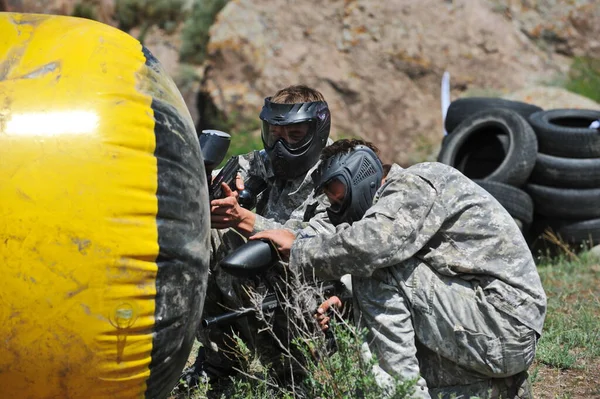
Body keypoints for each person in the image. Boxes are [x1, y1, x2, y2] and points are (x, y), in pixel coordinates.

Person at [252, 139, 547, 399]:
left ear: (362, 174)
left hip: (502, 323)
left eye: (337, 193)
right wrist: (351, 301)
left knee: (374, 268)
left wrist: (299, 250)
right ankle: (496, 390)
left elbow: (372, 246)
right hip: (494, 328)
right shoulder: (401, 205)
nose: (336, 204)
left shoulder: (415, 182)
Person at [183, 85, 337, 390]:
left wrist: (243, 219)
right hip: (260, 281)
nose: (281, 146)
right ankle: (221, 361)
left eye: (294, 136)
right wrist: (212, 186)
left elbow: (312, 245)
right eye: (275, 134)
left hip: (316, 291)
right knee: (206, 234)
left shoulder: (337, 173)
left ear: (316, 131)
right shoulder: (262, 161)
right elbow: (232, 175)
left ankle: (295, 376)